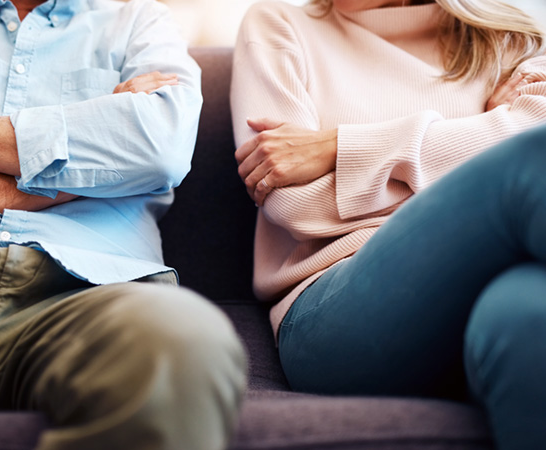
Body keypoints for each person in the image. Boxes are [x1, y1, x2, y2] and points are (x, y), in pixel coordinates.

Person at [0, 1, 248, 449]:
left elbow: (160, 147)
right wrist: (90, 164)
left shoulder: (141, 23)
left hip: (92, 291)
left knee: (186, 340)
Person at [231, 0, 546, 448]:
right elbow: (294, 204)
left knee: (528, 314)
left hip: (489, 284)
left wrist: (339, 148)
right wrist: (475, 140)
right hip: (336, 308)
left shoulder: (513, 37)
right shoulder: (280, 25)